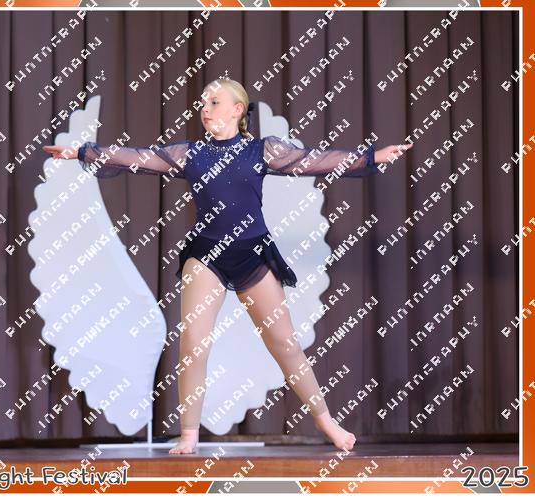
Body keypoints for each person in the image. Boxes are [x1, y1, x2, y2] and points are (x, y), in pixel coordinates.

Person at [43, 77, 413, 455]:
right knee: (193, 344)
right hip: (206, 254)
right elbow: (138, 157)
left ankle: (326, 421)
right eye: (203, 103)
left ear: (237, 110)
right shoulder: (190, 154)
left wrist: (371, 157)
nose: (205, 109)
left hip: (253, 253)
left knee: (285, 343)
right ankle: (189, 433)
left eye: (214, 102)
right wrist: (82, 152)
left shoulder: (262, 150)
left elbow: (313, 161)